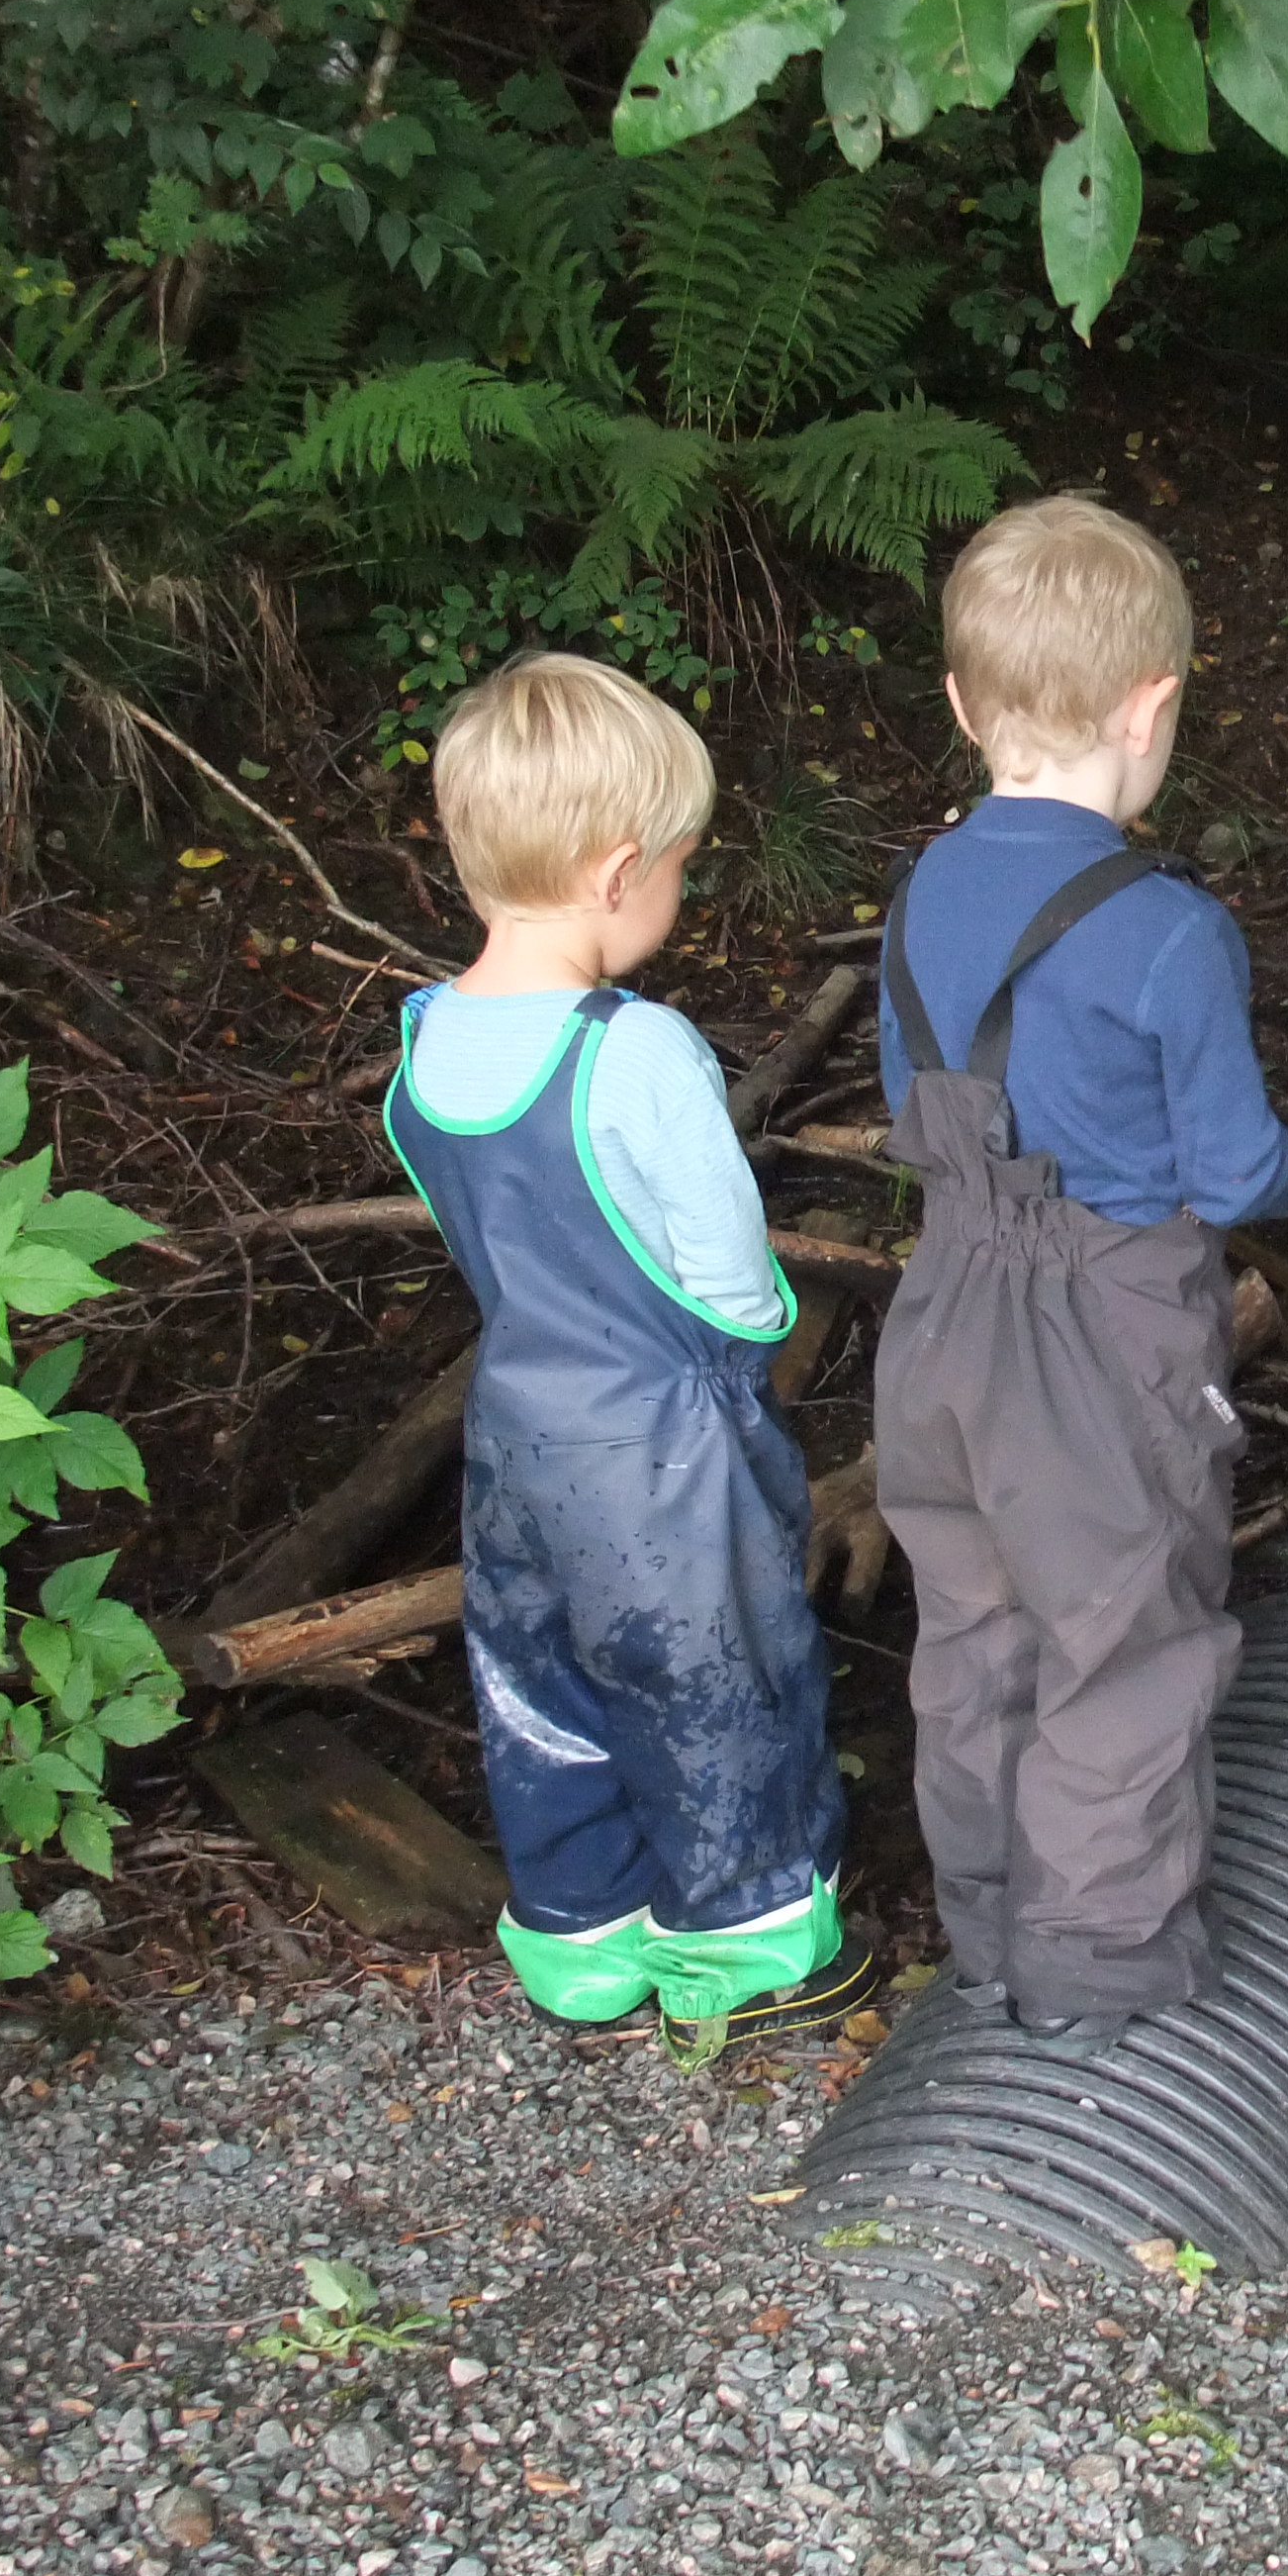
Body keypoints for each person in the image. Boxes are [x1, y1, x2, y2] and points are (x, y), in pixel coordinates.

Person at [874, 496, 1288, 2051]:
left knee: (972, 1634)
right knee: (1125, 1646)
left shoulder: (922, 888)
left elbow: (918, 1108)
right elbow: (1230, 1170)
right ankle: (1096, 1979)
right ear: (1153, 707)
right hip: (1099, 1340)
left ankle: (986, 1938)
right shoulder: (1169, 930)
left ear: (964, 706)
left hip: (940, 1318)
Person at [384, 651, 881, 2048]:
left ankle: (585, 1950)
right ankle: (750, 1948)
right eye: (679, 867)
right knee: (718, 1678)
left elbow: (475, 1229)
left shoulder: (424, 1043)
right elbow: (723, 1264)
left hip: (518, 1426)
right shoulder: (636, 1048)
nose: (679, 892)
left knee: (538, 1676)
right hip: (662, 1437)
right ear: (616, 875)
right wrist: (762, 1333)